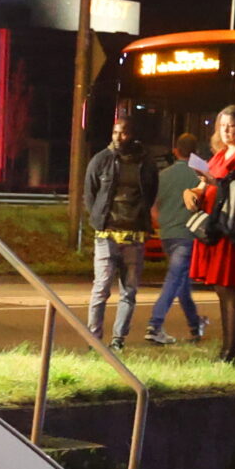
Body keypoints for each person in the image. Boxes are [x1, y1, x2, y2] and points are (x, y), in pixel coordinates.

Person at [187, 103, 235, 364]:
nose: (226, 130)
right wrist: (193, 193)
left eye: (231, 125)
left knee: (230, 288)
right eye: (222, 125)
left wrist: (214, 183)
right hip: (215, 228)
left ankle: (231, 351)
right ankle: (227, 349)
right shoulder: (219, 155)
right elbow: (202, 184)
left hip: (232, 229)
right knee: (221, 288)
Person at [82, 115, 157, 349]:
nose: (118, 137)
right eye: (115, 132)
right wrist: (100, 220)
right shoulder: (101, 160)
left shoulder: (146, 163)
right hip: (106, 236)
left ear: (132, 134)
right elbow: (90, 194)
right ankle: (93, 339)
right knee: (100, 289)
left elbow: (151, 192)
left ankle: (118, 340)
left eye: (123, 132)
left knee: (129, 292)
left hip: (134, 238)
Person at [144, 130, 207, 345]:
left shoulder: (163, 176)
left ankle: (195, 325)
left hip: (167, 235)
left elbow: (153, 209)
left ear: (175, 151)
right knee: (174, 280)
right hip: (188, 235)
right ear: (195, 153)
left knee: (182, 284)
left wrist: (163, 223)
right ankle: (155, 324)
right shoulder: (200, 175)